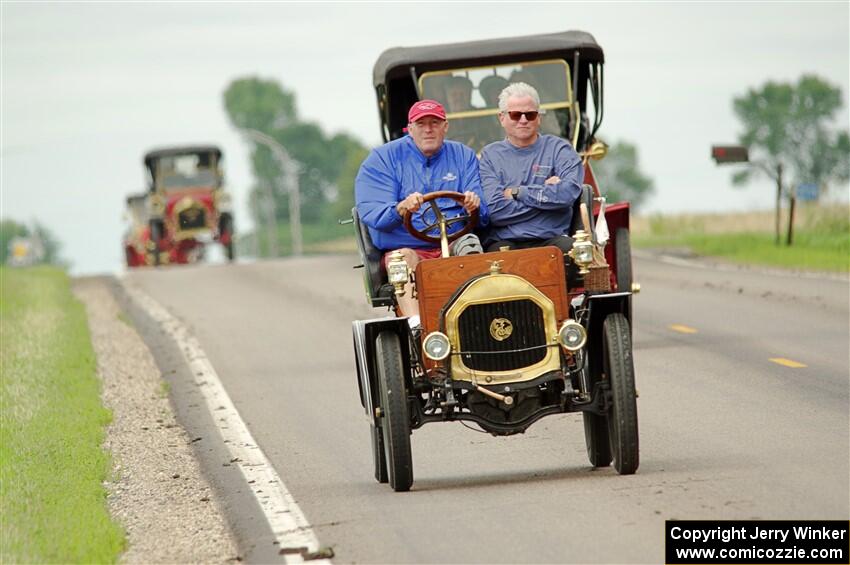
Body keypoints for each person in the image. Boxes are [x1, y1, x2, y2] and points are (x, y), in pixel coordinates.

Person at [355, 99, 489, 321]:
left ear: (445, 126)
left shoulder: (463, 156)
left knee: (470, 246)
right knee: (401, 259)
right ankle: (417, 326)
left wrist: (475, 205)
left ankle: (476, 319)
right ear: (410, 128)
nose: (428, 129)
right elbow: (372, 213)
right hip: (408, 246)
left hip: (454, 241)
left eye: (435, 123)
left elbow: (483, 210)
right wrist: (400, 208)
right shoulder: (382, 159)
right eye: (421, 123)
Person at [478, 82, 583, 254]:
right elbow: (495, 211)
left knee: (575, 255)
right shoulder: (490, 156)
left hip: (553, 241)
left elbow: (567, 194)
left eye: (530, 114)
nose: (523, 120)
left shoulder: (560, 149)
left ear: (539, 117)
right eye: (515, 115)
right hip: (505, 243)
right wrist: (548, 199)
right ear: (502, 118)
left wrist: (519, 193)